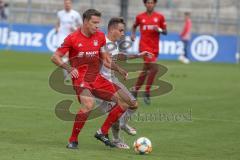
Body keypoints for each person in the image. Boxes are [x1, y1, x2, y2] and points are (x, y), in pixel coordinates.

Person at [51, 9, 137, 149]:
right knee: (88, 104)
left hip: (97, 78)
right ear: (85, 22)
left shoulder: (100, 37)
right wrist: (69, 68)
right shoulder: (72, 38)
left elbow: (106, 60)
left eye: (99, 23)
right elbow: (55, 57)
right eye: (94, 22)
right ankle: (73, 140)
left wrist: (119, 69)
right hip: (80, 79)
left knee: (124, 102)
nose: (97, 25)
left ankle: (102, 132)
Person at [97, 17, 151, 149]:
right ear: (112, 29)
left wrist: (138, 55)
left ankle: (122, 123)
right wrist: (121, 70)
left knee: (133, 104)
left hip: (112, 79)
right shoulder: (102, 42)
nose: (123, 33)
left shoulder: (113, 44)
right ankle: (116, 140)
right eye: (121, 30)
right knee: (117, 109)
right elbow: (107, 62)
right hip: (101, 83)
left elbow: (119, 56)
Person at [131, 0, 167, 105]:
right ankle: (147, 92)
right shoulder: (140, 17)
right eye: (148, 2)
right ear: (145, 4)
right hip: (144, 47)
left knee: (145, 71)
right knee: (154, 68)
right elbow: (134, 26)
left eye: (152, 2)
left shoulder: (160, 17)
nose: (150, 4)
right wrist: (133, 35)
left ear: (155, 4)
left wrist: (159, 29)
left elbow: (165, 32)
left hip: (155, 48)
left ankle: (135, 90)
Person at [55, 0, 82, 81]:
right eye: (66, 3)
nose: (67, 5)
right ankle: (67, 75)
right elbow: (58, 23)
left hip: (72, 38)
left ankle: (69, 73)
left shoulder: (75, 14)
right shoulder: (60, 13)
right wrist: (56, 28)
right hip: (61, 37)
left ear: (71, 4)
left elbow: (81, 26)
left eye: (69, 3)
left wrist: (75, 29)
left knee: (70, 57)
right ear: (64, 4)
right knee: (63, 57)